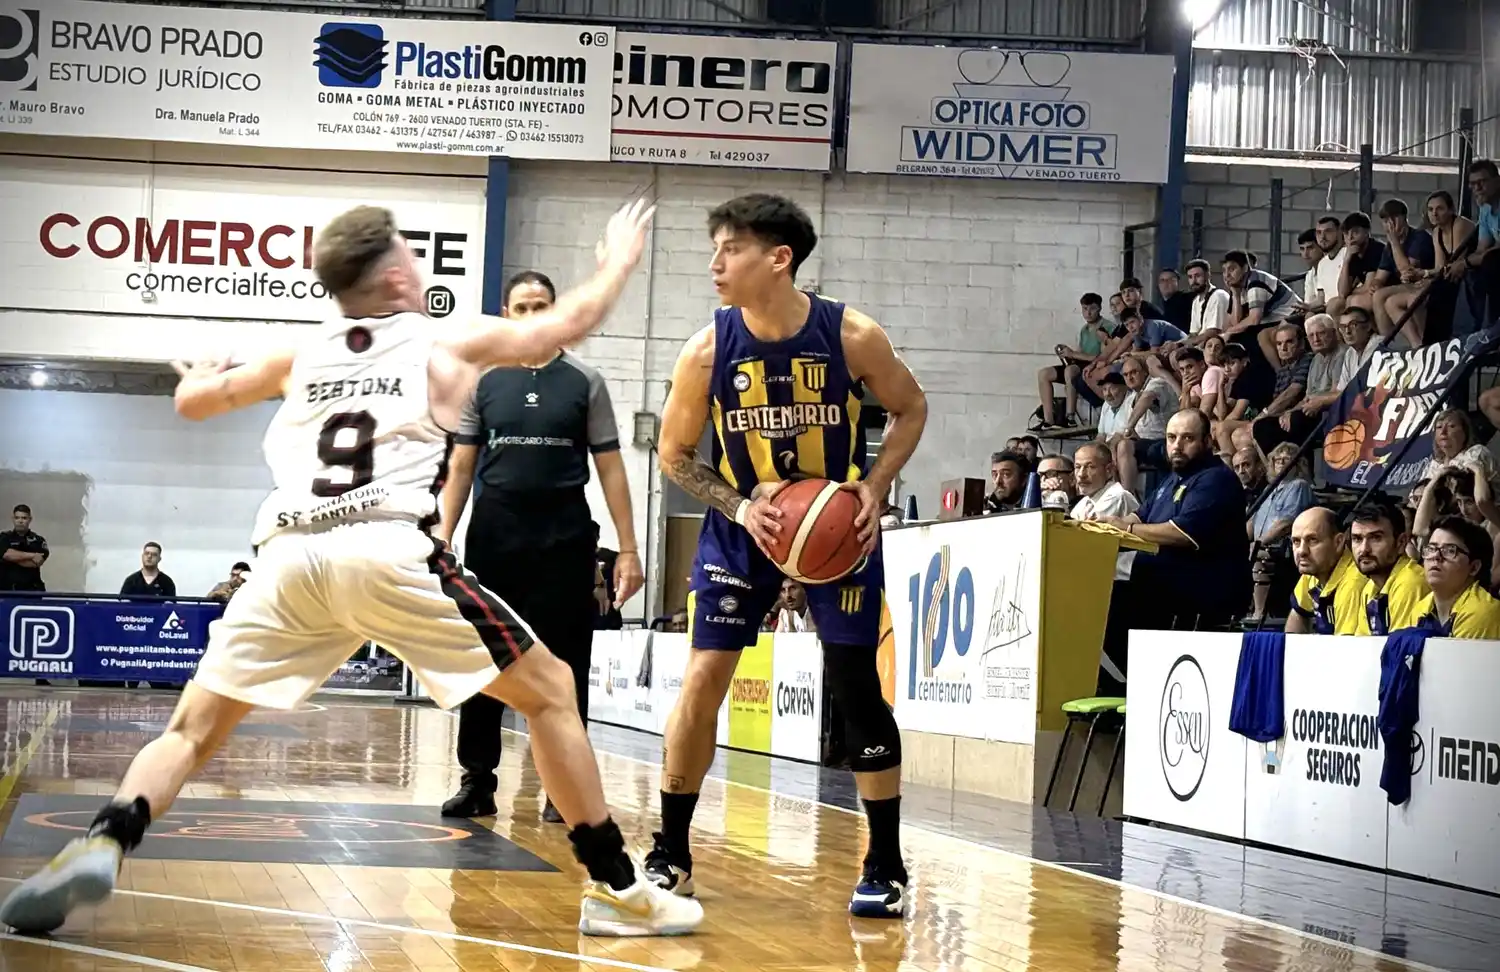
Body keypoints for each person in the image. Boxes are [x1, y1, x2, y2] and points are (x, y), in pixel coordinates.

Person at [0, 199, 703, 939]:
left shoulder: (299, 355)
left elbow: (196, 401)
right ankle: (619, 890)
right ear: (397, 272)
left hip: (286, 558)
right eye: (410, 251)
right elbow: (559, 329)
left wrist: (201, 376)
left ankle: (107, 836)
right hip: (383, 547)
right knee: (553, 690)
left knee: (190, 731)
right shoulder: (441, 338)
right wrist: (617, 263)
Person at [648, 193, 927, 918]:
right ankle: (671, 854)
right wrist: (741, 506)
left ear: (779, 259)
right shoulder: (706, 350)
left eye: (730, 249)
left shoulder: (851, 335)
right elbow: (673, 456)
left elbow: (911, 406)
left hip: (836, 528)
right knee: (704, 677)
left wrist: (874, 485)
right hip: (744, 525)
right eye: (714, 248)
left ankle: (886, 863)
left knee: (856, 687)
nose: (715, 263)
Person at [432, 269, 644, 824]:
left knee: (567, 667)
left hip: (565, 538)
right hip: (495, 537)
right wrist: (442, 536)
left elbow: (612, 467)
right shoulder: (483, 381)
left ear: (556, 311)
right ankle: (477, 780)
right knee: (484, 662)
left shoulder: (585, 381)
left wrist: (628, 548)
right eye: (521, 308)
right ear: (508, 314)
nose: (531, 316)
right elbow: (461, 464)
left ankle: (562, 787)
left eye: (541, 306)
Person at [1347, 499, 1428, 636]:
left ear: (1401, 542)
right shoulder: (1369, 588)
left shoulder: (1410, 583)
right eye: (1357, 539)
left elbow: (1398, 652)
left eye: (1376, 538)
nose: (1364, 549)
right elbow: (1362, 647)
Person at [1414, 516, 1500, 638]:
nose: (1436, 556)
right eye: (1431, 548)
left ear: (1474, 567)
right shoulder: (1420, 608)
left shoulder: (1481, 611)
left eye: (1449, 550)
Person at [1285, 507, 1359, 635]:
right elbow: (1298, 614)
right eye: (1296, 541)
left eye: (1312, 540)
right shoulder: (1314, 571)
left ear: (1338, 542)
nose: (1302, 551)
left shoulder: (1353, 583)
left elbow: (1345, 648)